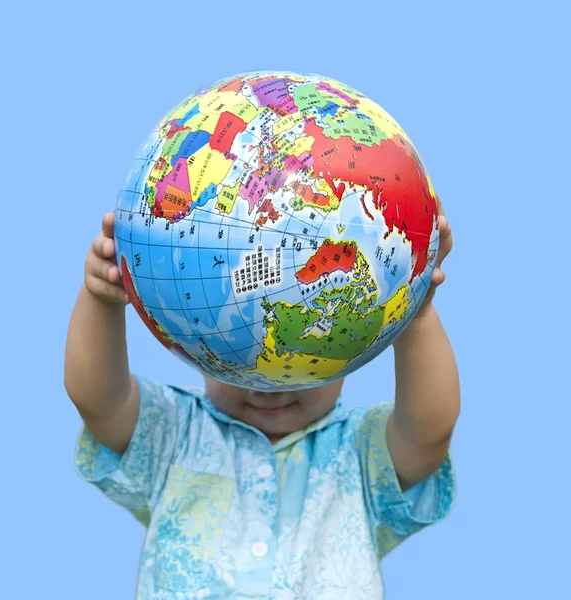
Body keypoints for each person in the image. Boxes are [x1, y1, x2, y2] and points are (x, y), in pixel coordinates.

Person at [65, 204, 460, 599]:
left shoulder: (359, 454)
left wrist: (416, 311)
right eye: (240, 353)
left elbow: (427, 433)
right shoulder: (175, 433)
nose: (268, 385)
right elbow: (100, 401)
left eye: (307, 356)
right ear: (199, 342)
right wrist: (100, 300)